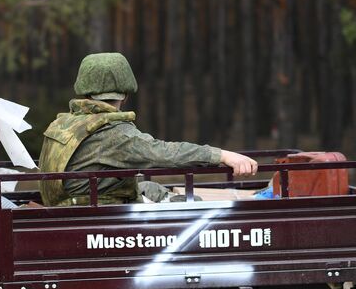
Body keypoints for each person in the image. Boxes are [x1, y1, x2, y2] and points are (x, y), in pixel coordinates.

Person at [38, 52, 257, 206]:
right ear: (125, 93)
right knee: (191, 207)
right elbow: (164, 153)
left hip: (73, 207)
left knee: (151, 189)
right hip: (96, 215)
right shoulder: (111, 133)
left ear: (84, 92)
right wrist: (221, 155)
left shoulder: (64, 123)